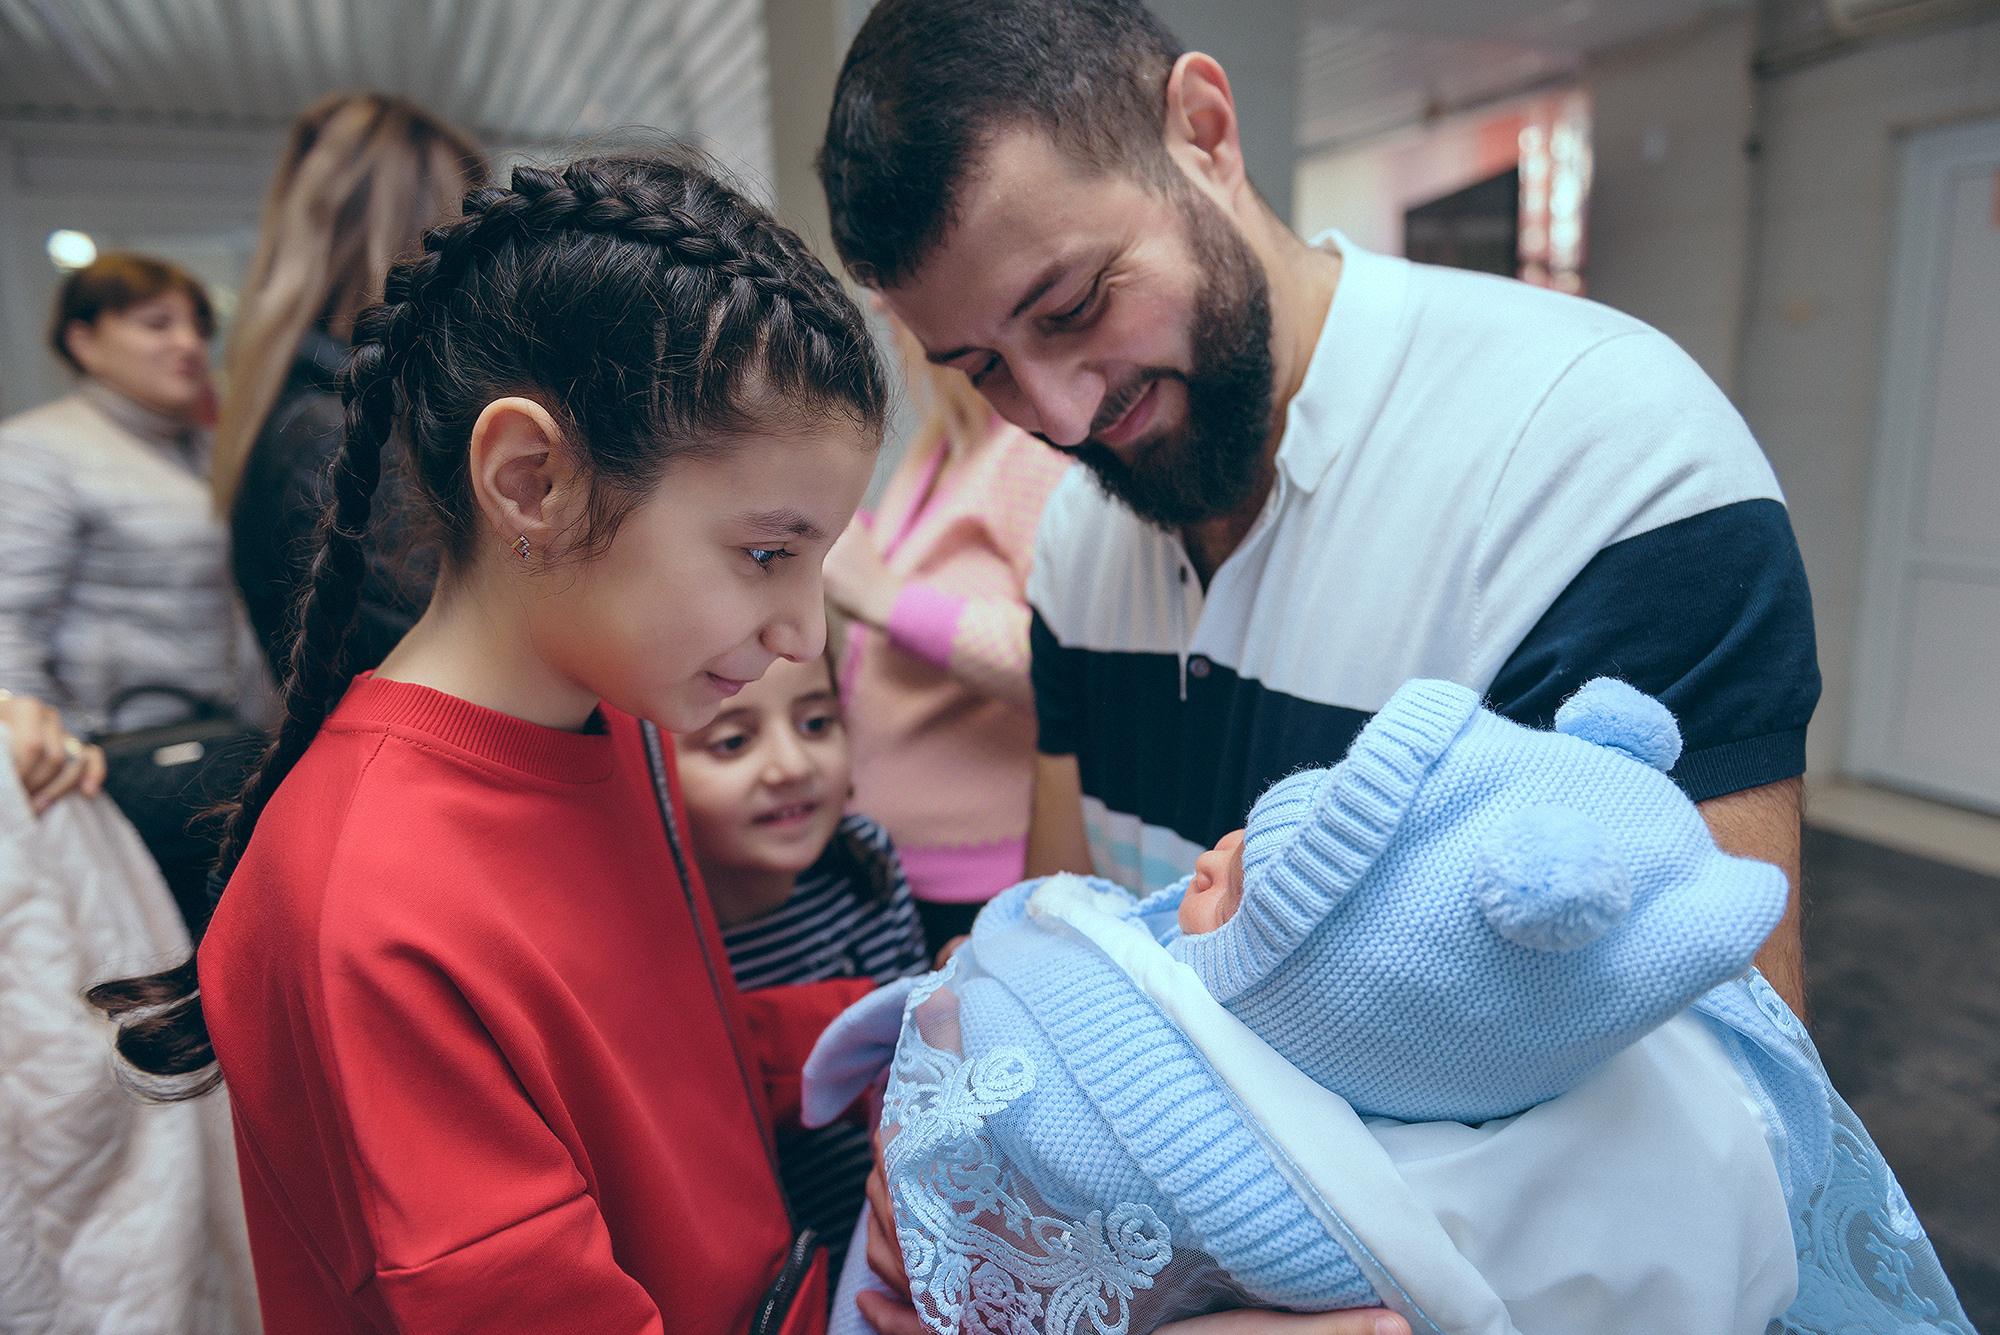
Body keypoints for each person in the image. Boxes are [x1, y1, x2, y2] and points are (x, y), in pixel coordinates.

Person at [816, 0, 1821, 1016]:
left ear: (1202, 132)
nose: (1062, 417)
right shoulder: (1080, 536)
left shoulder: (1602, 454)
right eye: (983, 367)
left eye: (1074, 306)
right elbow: (1067, 939)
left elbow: (1727, 1102)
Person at [88, 151, 895, 1334]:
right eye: (769, 554)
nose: (799, 631)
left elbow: (645, 1066)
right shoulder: (366, 905)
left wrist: (896, 1027)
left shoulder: (616, 717)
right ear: (533, 480)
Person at [803, 678, 1974, 1334]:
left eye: (1244, 898)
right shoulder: (1574, 1075)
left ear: (1356, 1032)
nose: (1205, 860)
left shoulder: (1242, 1170)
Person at [677, 651, 931, 1281]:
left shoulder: (863, 862)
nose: (791, 766)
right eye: (733, 742)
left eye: (817, 724)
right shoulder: (660, 932)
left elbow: (919, 1071)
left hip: (890, 1236)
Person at [213, 92, 485, 679]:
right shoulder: (345, 435)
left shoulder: (308, 409)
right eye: (473, 223)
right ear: (432, 236)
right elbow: (445, 676)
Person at [824, 313, 1072, 943]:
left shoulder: (1035, 450)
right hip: (897, 870)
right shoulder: (941, 444)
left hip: (985, 886)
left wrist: (886, 599)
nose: (883, 311)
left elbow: (1071, 663)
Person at [0, 254, 257, 736]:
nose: (190, 344)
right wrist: (56, 758)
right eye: (157, 324)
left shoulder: (211, 450)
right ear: (84, 342)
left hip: (225, 742)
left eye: (199, 327)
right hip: (117, 755)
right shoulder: (34, 452)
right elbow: (6, 627)